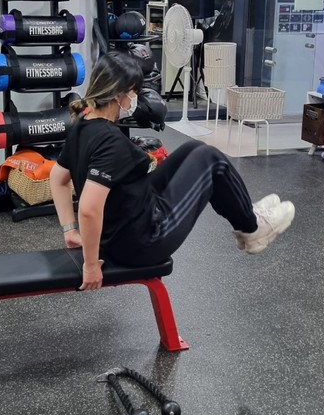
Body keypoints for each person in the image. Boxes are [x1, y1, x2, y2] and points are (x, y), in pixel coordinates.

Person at [49, 51, 295, 290]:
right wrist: (91, 264)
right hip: (145, 241)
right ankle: (253, 229)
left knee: (195, 148)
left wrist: (69, 230)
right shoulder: (110, 141)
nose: (135, 100)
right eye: (134, 92)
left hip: (123, 227)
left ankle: (246, 214)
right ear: (118, 95)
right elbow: (89, 209)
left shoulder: (82, 124)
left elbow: (57, 178)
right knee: (213, 161)